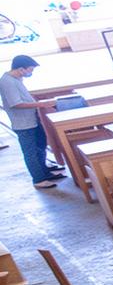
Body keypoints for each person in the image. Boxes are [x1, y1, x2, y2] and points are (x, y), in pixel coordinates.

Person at [2, 56, 60, 190]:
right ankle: (38, 179)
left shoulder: (16, 79)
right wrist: (41, 104)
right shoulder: (8, 82)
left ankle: (44, 173)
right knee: (31, 152)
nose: (31, 73)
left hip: (31, 120)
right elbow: (16, 103)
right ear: (21, 69)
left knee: (40, 146)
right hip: (23, 124)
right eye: (30, 70)